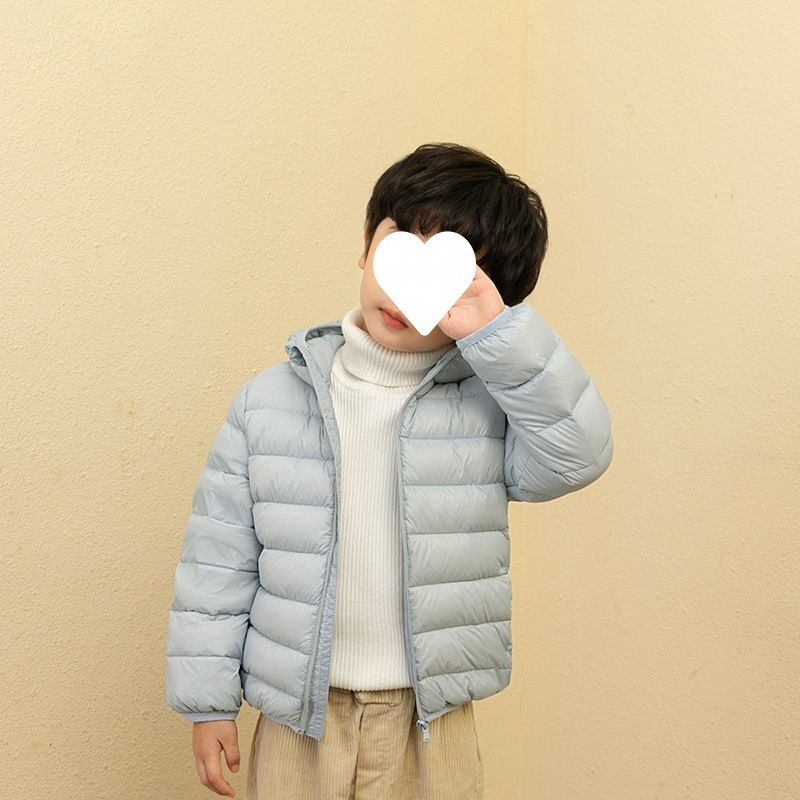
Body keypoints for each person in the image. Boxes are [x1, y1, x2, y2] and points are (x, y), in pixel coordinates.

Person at [164, 142, 614, 799]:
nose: (405, 291)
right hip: (297, 715)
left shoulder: (485, 409)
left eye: (448, 277)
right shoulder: (268, 402)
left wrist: (500, 336)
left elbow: (578, 454)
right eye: (399, 248)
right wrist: (208, 703)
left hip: (429, 717)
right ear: (365, 247)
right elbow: (218, 559)